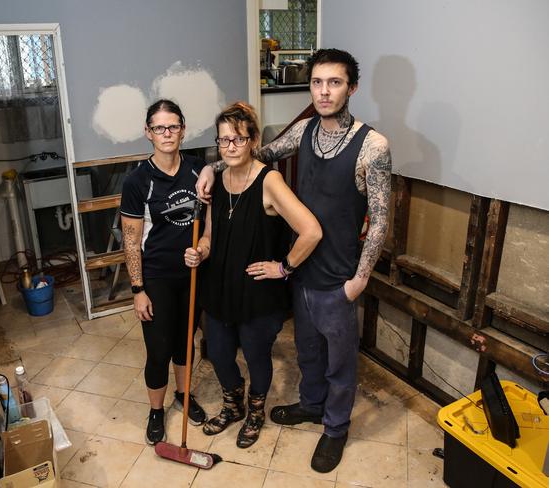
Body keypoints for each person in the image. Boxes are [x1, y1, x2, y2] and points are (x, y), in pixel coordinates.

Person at [196, 49, 392, 472]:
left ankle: (335, 429)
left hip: (339, 276)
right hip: (300, 273)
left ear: (351, 87)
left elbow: (380, 221)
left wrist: (360, 279)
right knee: (308, 354)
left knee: (340, 364)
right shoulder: (303, 130)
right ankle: (312, 405)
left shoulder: (372, 146)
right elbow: (254, 153)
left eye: (334, 82)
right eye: (318, 82)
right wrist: (211, 168)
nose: (324, 91)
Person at [185, 102, 321, 448]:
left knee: (256, 355)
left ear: (254, 139)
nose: (230, 147)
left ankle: (256, 412)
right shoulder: (217, 180)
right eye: (223, 140)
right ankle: (234, 405)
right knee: (217, 351)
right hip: (220, 286)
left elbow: (311, 231)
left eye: (238, 140)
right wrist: (199, 251)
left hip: (258, 293)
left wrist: (284, 267)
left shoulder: (269, 180)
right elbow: (210, 236)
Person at [120, 99, 207, 445]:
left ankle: (184, 396)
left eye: (173, 126)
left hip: (192, 275)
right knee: (158, 349)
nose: (167, 133)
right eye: (159, 128)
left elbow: (210, 220)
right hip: (155, 278)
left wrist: (202, 250)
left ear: (183, 129)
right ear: (148, 133)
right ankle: (156, 411)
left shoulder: (200, 170)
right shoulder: (138, 181)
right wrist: (137, 289)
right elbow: (130, 240)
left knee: (186, 344)